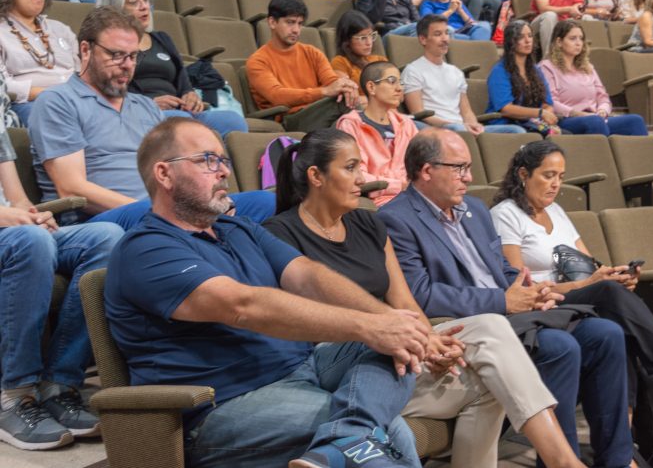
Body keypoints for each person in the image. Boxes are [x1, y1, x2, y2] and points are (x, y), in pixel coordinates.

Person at [105, 117, 431, 468]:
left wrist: (388, 321)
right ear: (164, 174)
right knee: (392, 434)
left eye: (224, 160)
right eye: (207, 160)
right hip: (224, 403)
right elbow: (241, 306)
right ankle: (349, 433)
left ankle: (347, 431)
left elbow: (308, 276)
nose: (223, 173)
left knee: (400, 340)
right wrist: (366, 326)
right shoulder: (145, 248)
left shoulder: (237, 228)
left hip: (303, 368)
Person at [264, 128, 585, 468]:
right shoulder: (279, 232)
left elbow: (405, 303)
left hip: (390, 351)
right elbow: (296, 312)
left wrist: (430, 342)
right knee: (490, 327)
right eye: (352, 168)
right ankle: (564, 462)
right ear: (316, 176)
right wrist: (407, 333)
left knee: (490, 380)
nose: (364, 178)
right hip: (331, 356)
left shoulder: (369, 225)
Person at [379, 128, 634, 468]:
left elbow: (500, 266)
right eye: (459, 168)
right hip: (473, 324)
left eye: (469, 167)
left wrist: (529, 290)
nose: (469, 178)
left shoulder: (474, 209)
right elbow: (421, 294)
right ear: (427, 171)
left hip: (514, 312)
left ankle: (617, 459)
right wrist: (503, 301)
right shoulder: (395, 219)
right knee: (561, 347)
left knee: (606, 335)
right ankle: (562, 460)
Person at [491, 140, 653, 416]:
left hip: (575, 299)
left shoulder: (557, 212)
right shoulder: (505, 216)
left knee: (621, 326)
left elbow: (588, 263)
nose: (556, 185)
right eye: (548, 176)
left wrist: (613, 275)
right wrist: (590, 284)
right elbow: (522, 290)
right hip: (543, 307)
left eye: (561, 177)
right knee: (609, 298)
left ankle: (627, 435)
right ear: (524, 174)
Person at [28, 7, 274, 230]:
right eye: (116, 55)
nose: (127, 65)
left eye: (133, 56)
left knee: (265, 202)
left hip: (165, 208)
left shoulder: (146, 107)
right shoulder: (58, 102)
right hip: (104, 218)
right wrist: (163, 211)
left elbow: (179, 171)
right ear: (85, 50)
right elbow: (72, 188)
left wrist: (211, 198)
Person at [0, 71, 124, 451]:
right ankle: (14, 395)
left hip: (13, 229)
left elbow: (16, 198)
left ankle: (60, 382)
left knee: (107, 237)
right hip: (11, 233)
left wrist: (33, 212)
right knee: (30, 241)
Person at [97, 0, 248, 138]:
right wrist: (149, 104)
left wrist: (189, 95)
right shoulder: (109, 47)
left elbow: (182, 78)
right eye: (134, 2)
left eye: (146, 0)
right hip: (140, 113)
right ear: (114, 8)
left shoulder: (162, 38)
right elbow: (108, 94)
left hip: (178, 111)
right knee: (181, 122)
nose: (144, 7)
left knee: (233, 121)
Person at [246, 0, 358, 131]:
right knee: (344, 106)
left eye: (299, 23)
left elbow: (331, 81)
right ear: (272, 22)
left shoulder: (312, 52)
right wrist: (324, 92)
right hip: (291, 118)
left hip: (320, 111)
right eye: (290, 22)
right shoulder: (257, 61)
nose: (296, 30)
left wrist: (345, 88)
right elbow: (277, 96)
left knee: (349, 102)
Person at [403, 15, 524, 134]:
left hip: (462, 127)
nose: (445, 39)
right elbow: (418, 113)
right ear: (423, 39)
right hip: (439, 129)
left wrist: (474, 125)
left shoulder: (455, 72)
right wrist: (451, 125)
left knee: (516, 131)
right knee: (459, 129)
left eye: (446, 33)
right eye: (438, 34)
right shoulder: (413, 70)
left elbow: (466, 112)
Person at [0, 0, 80, 127]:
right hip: (32, 104)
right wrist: (51, 93)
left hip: (79, 99)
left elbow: (83, 73)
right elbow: (4, 86)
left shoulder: (61, 29)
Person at [539, 20, 647, 136]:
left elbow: (603, 97)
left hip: (595, 117)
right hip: (565, 119)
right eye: (573, 38)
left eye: (581, 38)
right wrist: (579, 113)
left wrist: (602, 110)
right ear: (559, 42)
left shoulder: (588, 68)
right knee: (595, 122)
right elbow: (551, 102)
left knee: (635, 121)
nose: (578, 43)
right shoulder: (547, 67)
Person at [336, 61, 416, 207]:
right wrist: (400, 185)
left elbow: (422, 163)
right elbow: (355, 173)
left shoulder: (406, 124)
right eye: (392, 81)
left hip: (414, 198)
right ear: (371, 87)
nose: (399, 88)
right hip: (379, 202)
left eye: (400, 82)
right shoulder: (351, 124)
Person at [486, 20, 561, 135]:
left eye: (530, 36)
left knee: (562, 133)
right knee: (526, 133)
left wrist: (546, 119)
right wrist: (539, 113)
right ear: (511, 42)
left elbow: (547, 103)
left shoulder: (536, 70)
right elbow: (506, 109)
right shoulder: (499, 71)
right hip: (506, 124)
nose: (528, 41)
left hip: (530, 122)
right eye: (521, 37)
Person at [330, 10, 387, 87]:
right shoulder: (340, 62)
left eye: (371, 35)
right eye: (363, 38)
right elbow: (349, 95)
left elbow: (397, 91)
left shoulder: (380, 60)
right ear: (347, 40)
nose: (369, 42)